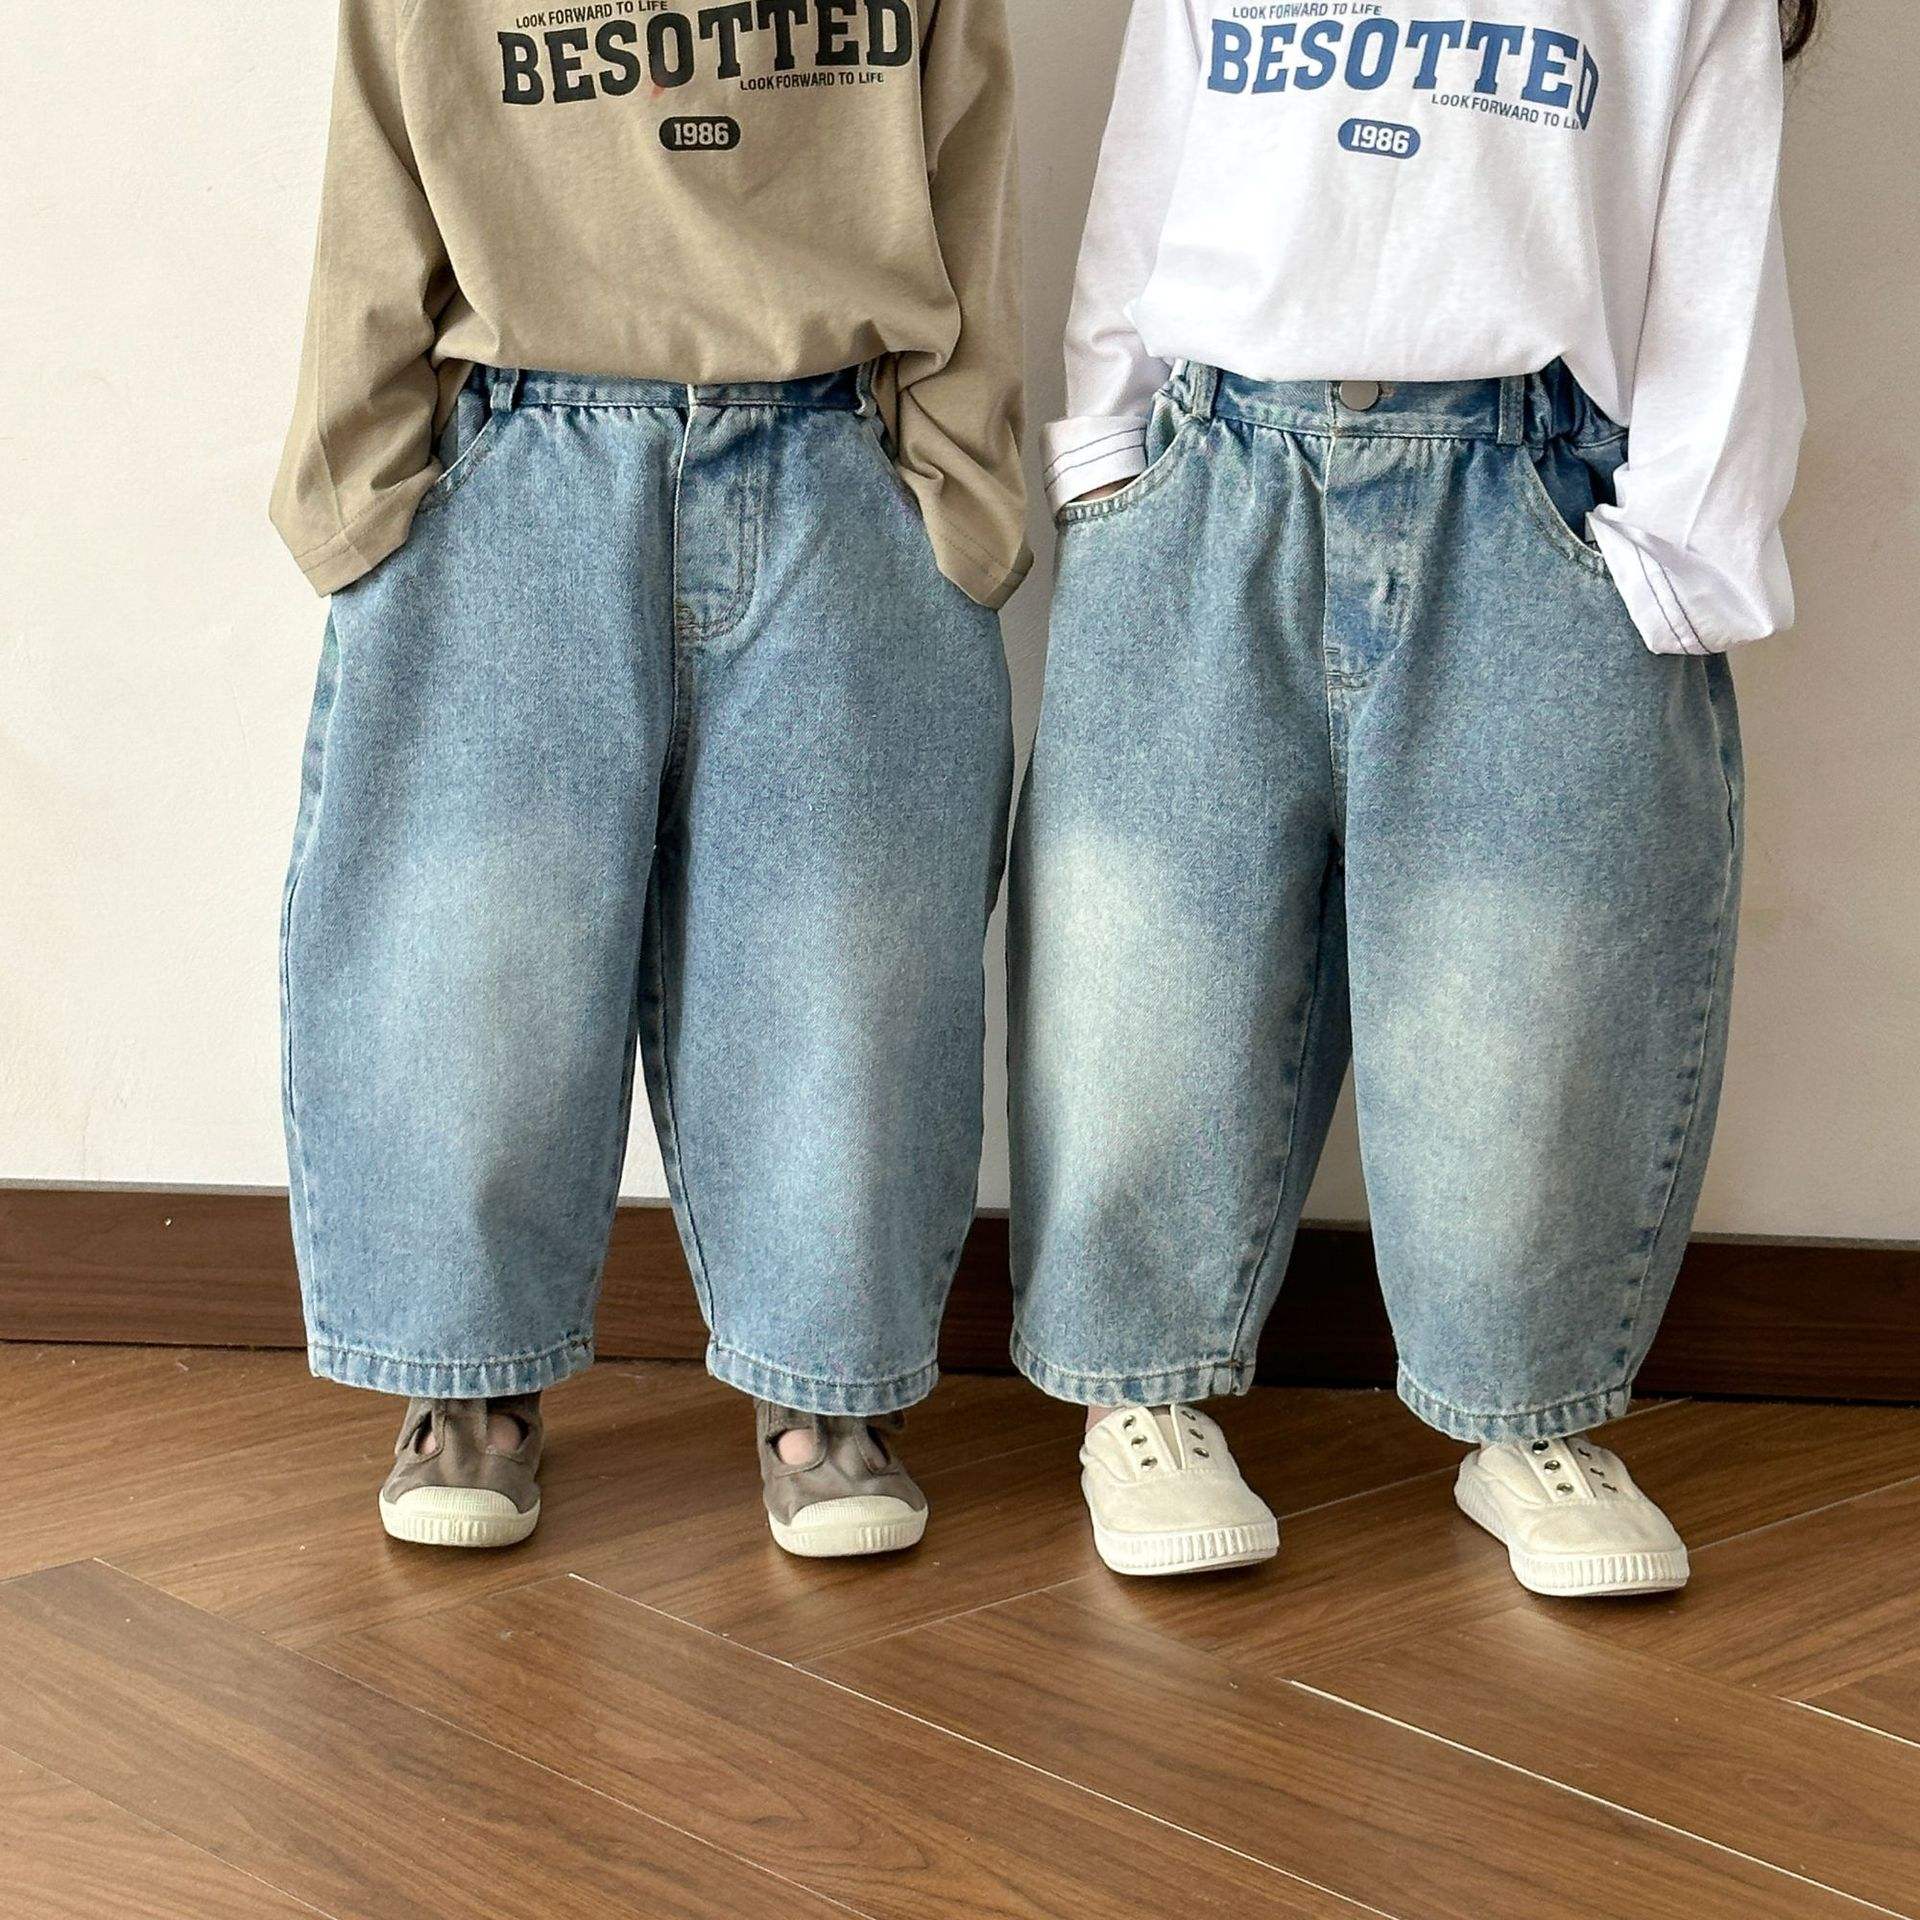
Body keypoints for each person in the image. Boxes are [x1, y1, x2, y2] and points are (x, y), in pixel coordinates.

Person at [1011, 0, 1813, 1593]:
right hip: (1214, 457)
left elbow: (1719, 242)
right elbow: (1152, 160)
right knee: (1148, 972)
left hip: (1530, 485)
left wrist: (1682, 544)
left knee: (1529, 1003)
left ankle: (1531, 1411)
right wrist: (1107, 450)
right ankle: (1139, 1394)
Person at [272, 0, 1025, 1555]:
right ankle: (463, 1375)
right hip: (518, 449)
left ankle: (827, 1383)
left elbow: (969, 166)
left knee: (842, 968)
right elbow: (377, 159)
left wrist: (958, 485)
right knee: (469, 963)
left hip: (831, 442)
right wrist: (360, 497)